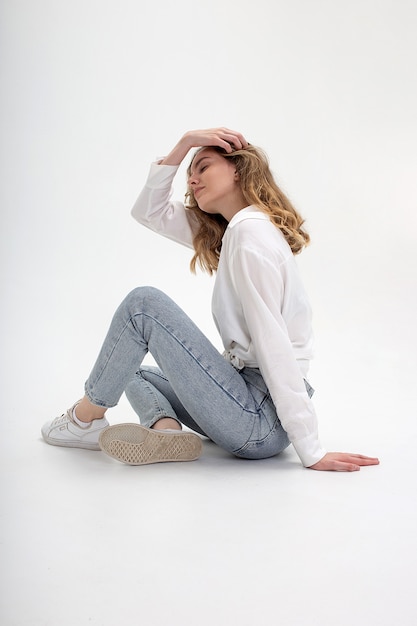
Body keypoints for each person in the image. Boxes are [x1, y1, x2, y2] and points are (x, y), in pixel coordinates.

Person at [42, 128, 379, 472]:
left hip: (258, 418)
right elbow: (148, 211)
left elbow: (272, 342)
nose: (192, 180)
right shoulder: (234, 231)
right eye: (190, 173)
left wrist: (311, 448)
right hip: (246, 404)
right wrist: (186, 143)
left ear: (238, 169)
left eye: (203, 167)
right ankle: (167, 432)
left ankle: (83, 422)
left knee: (143, 305)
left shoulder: (250, 235)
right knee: (129, 368)